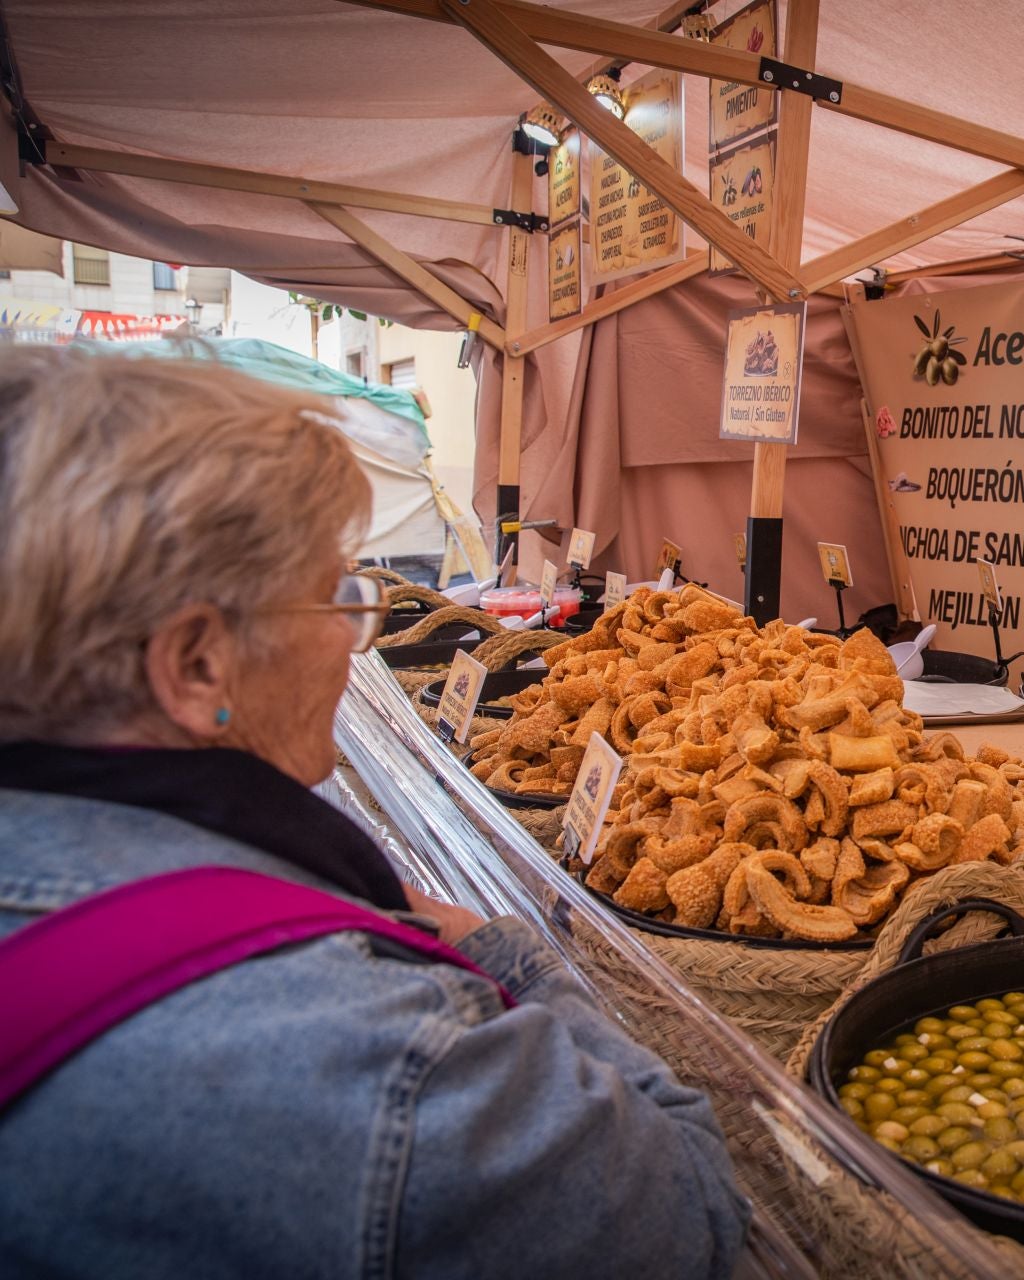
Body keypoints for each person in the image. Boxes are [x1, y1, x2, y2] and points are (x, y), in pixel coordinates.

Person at [0, 346, 750, 1278]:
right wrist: (500, 951)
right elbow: (687, 1209)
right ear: (197, 666)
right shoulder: (380, 1051)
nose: (355, 641)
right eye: (335, 597)